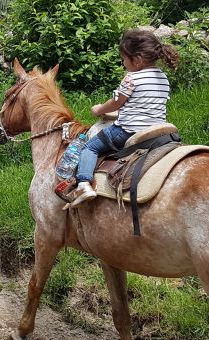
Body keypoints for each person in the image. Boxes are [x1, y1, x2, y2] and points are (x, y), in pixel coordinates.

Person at [65, 29, 180, 209]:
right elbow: (143, 104)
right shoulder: (163, 78)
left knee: (90, 147)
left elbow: (116, 103)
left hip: (127, 132)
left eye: (124, 59)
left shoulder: (132, 78)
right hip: (156, 132)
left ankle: (83, 184)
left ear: (138, 59)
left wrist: (99, 109)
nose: (123, 63)